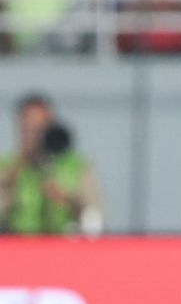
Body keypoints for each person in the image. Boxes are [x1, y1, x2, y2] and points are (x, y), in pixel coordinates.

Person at [0, 94, 103, 235]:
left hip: (63, 243)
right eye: (28, 129)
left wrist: (69, 200)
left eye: (39, 129)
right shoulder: (6, 167)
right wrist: (12, 178)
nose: (34, 136)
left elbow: (95, 219)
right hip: (17, 243)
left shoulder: (76, 166)